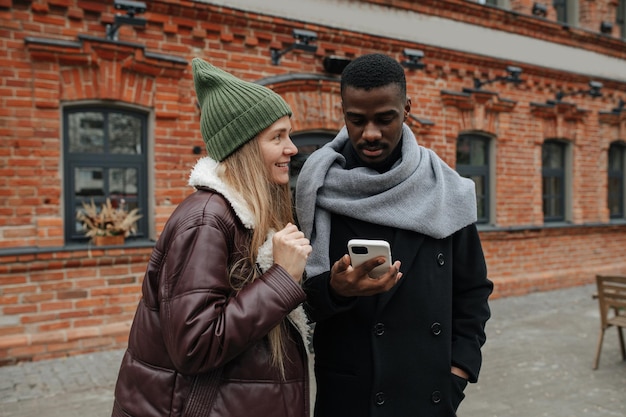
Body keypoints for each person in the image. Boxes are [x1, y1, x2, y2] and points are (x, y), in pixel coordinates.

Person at [112, 58, 312, 417]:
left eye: (290, 134)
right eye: (277, 137)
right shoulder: (206, 219)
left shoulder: (248, 218)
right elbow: (194, 346)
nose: (292, 148)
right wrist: (281, 280)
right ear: (247, 146)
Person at [296, 53, 493, 417]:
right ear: (343, 114)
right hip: (350, 393)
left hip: (428, 392)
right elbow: (298, 299)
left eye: (384, 118)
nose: (370, 133)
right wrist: (336, 290)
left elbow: (473, 290)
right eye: (356, 120)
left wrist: (458, 372)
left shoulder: (446, 190)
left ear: (406, 109)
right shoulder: (317, 189)